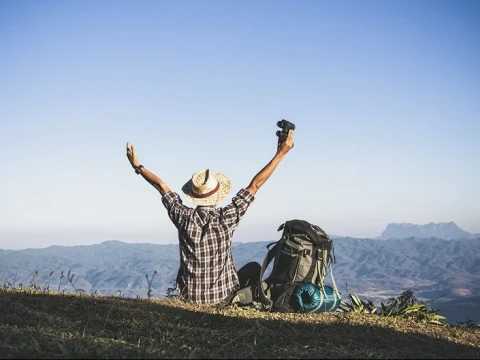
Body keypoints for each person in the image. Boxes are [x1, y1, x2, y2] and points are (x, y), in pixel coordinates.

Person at [125, 129, 294, 305]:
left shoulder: (182, 216)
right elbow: (255, 184)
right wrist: (280, 154)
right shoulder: (227, 217)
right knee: (253, 269)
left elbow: (161, 186)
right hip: (223, 298)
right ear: (218, 194)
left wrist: (137, 166)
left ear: (194, 195)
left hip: (189, 298)